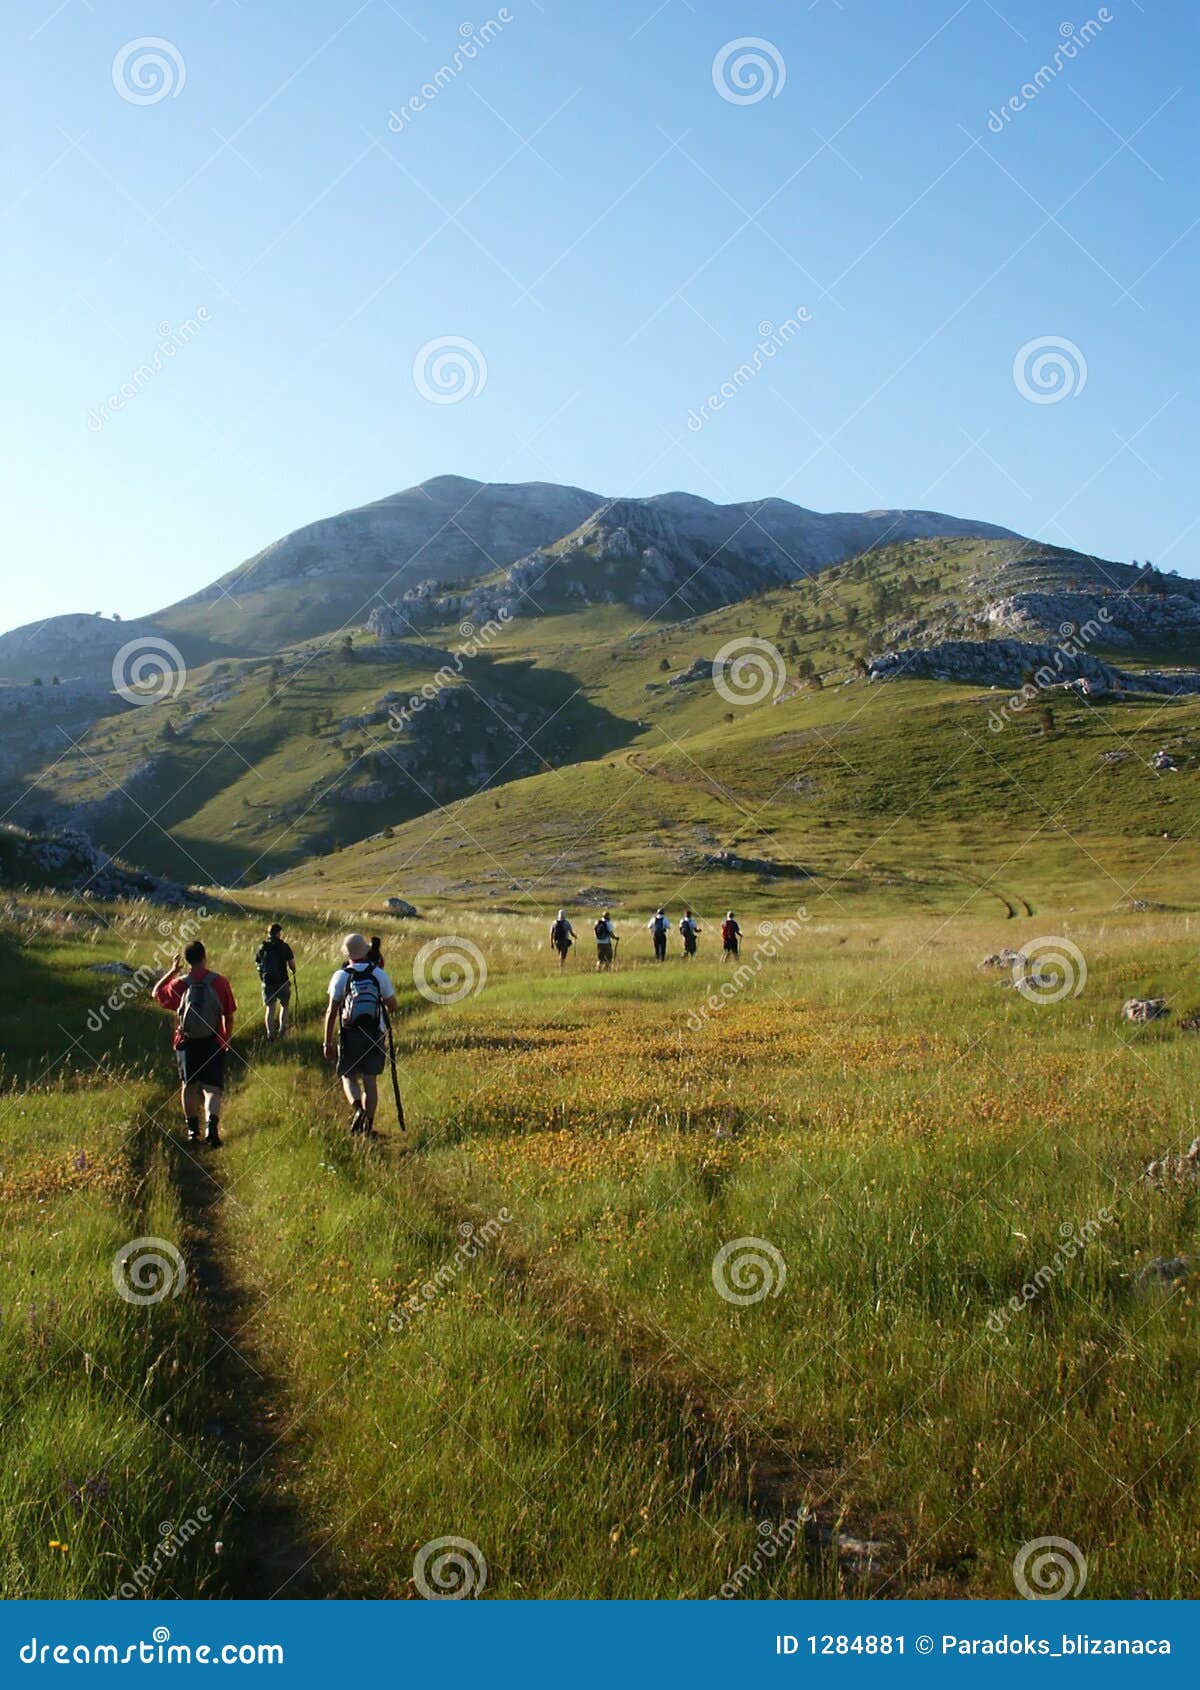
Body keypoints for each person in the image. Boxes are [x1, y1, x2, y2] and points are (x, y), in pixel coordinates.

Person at [152, 940, 237, 1147]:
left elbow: (156, 993)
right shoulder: (220, 982)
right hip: (212, 1041)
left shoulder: (180, 983)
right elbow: (229, 1014)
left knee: (189, 1086)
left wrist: (172, 971)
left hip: (186, 1042)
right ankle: (211, 1128)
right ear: (204, 956)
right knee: (212, 1089)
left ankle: (192, 1130)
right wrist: (224, 1038)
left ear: (187, 960)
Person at [323, 933, 398, 1138]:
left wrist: (327, 1042)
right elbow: (393, 1005)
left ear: (347, 954)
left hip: (349, 1034)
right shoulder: (379, 974)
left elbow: (331, 1011)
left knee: (348, 1076)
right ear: (365, 952)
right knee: (370, 1082)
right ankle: (368, 1126)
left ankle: (358, 1109)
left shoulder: (340, 976)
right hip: (375, 1033)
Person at [255, 921, 296, 1040]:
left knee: (270, 1009)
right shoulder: (284, 946)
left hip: (267, 982)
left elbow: (257, 963)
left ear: (268, 933)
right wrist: (293, 971)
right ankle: (282, 1030)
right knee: (284, 1005)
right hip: (282, 981)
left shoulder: (262, 947)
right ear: (278, 933)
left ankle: (270, 1033)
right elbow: (292, 964)